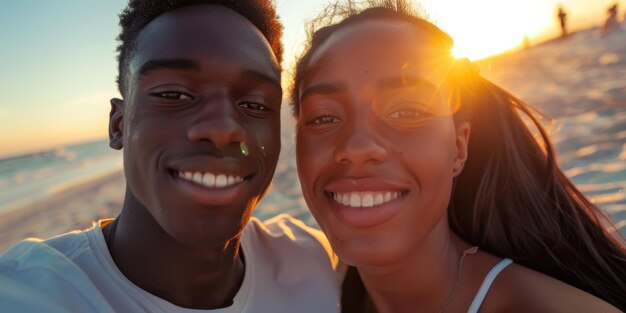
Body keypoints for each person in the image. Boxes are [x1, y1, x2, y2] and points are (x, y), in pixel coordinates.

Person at [0, 1, 341, 312]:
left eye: (255, 105)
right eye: (174, 94)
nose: (223, 129)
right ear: (118, 125)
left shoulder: (311, 260)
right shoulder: (29, 292)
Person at [291, 1, 626, 312]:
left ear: (459, 147)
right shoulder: (307, 283)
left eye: (407, 111)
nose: (357, 146)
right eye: (323, 117)